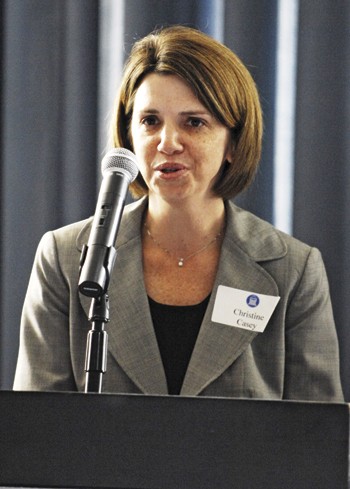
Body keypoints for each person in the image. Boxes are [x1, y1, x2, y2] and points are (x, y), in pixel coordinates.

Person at [13, 25, 344, 401]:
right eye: (150, 121)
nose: (167, 142)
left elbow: (315, 444)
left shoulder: (294, 270)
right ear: (129, 134)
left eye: (194, 122)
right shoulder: (65, 258)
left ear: (233, 142)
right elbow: (37, 439)